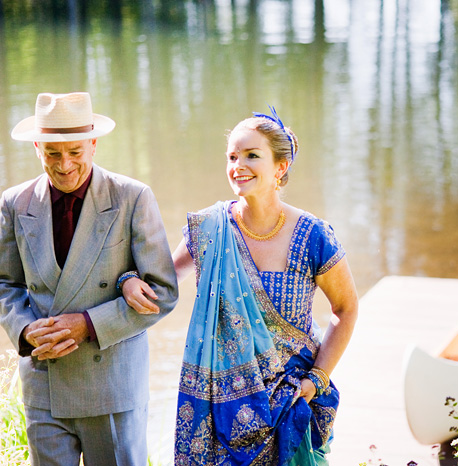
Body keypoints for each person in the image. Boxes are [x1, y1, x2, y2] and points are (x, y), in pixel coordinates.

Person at [122, 107, 358, 465]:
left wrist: (318, 378)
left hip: (290, 401)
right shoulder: (211, 230)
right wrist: (127, 280)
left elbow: (346, 308)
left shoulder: (312, 235)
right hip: (220, 409)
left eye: (252, 155)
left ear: (281, 167)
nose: (238, 165)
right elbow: (160, 283)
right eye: (232, 156)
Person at [0, 92, 179, 466]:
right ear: (37, 147)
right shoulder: (14, 203)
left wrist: (87, 325)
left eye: (75, 152)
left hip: (111, 386)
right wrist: (24, 331)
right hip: (44, 383)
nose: (65, 165)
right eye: (52, 153)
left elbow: (161, 292)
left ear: (93, 144)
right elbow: (6, 284)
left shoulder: (132, 197)